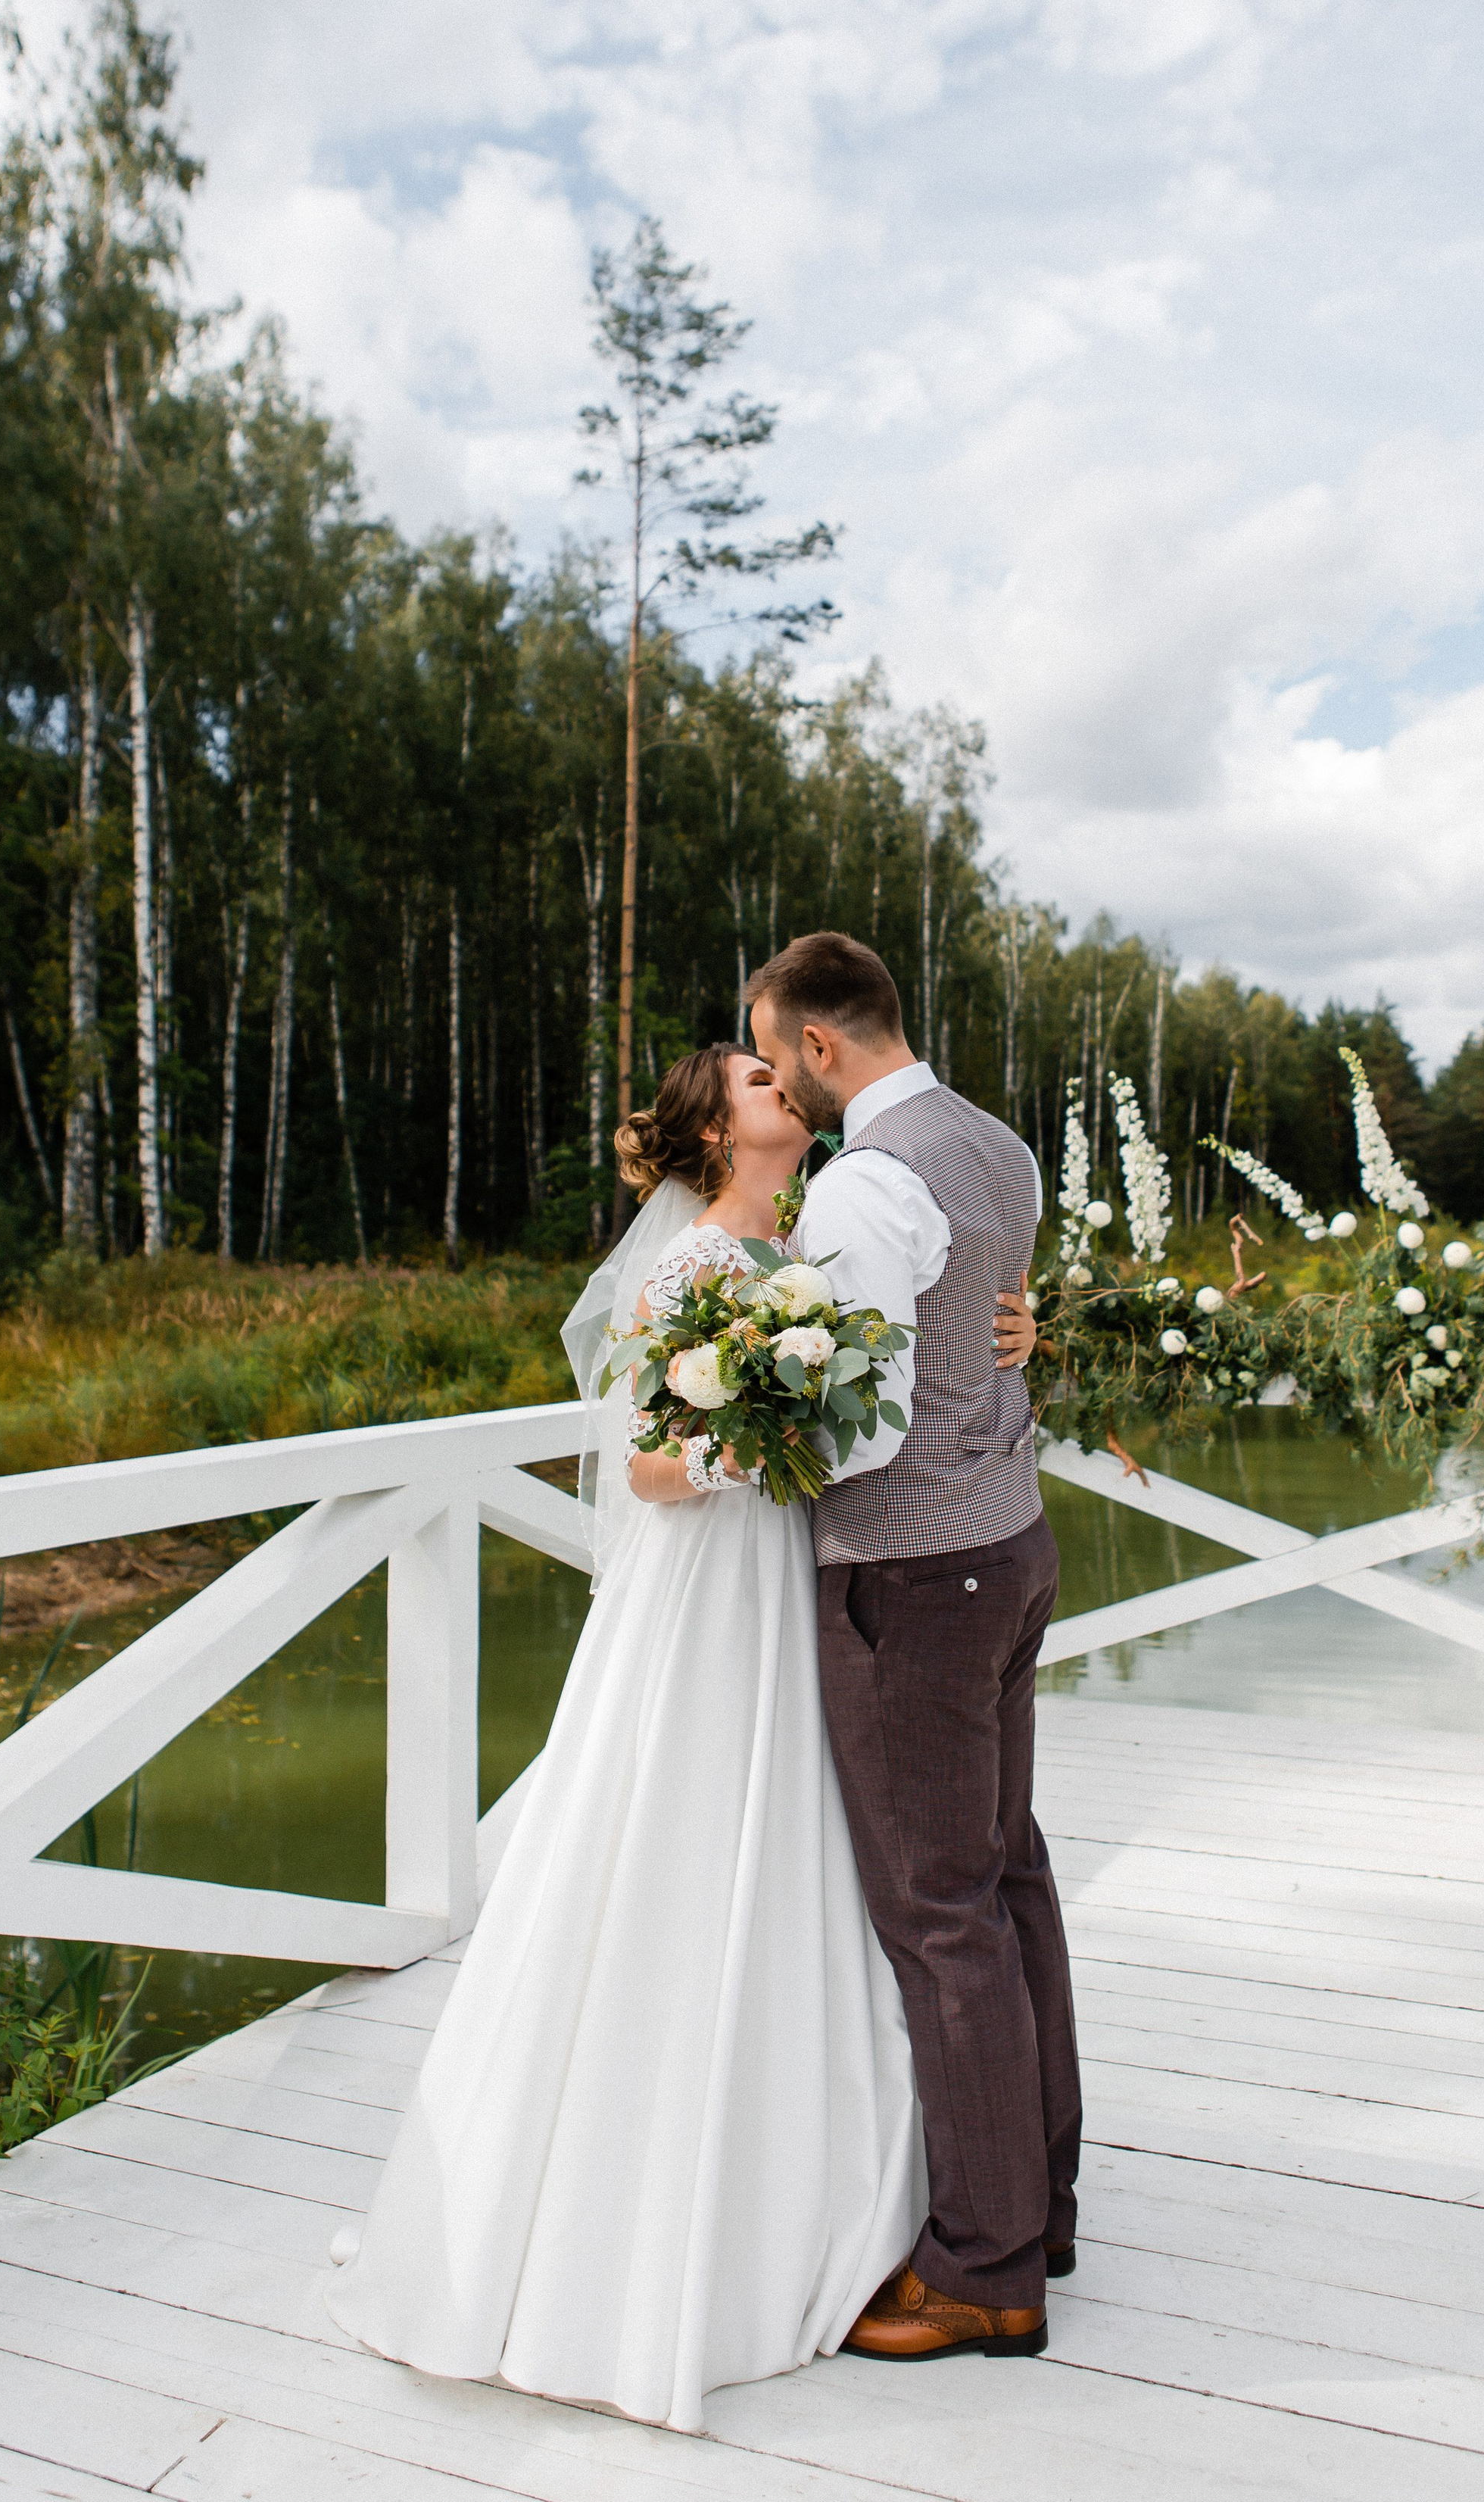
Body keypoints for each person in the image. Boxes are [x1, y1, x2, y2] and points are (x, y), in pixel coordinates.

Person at [327, 1039, 1037, 2432]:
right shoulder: (694, 1268)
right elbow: (651, 1466)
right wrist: (756, 1429)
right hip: (714, 1588)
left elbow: (916, 1340)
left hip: (804, 1576)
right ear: (719, 1138)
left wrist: (1016, 1333)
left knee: (825, 1856)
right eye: (757, 1083)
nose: (786, 1088)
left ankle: (848, 2185)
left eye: (782, 1070)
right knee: (684, 1835)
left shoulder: (821, 1235)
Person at [747, 932, 1082, 2366]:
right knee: (1008, 1879)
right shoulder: (997, 1145)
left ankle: (985, 2267)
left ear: (821, 1046)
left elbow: (860, 1421)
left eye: (773, 1050)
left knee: (941, 1915)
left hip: (914, 1572)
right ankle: (1038, 2197)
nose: (775, 1076)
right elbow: (989, 1332)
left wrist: (737, 1436)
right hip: (1010, 1542)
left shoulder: (866, 1183)